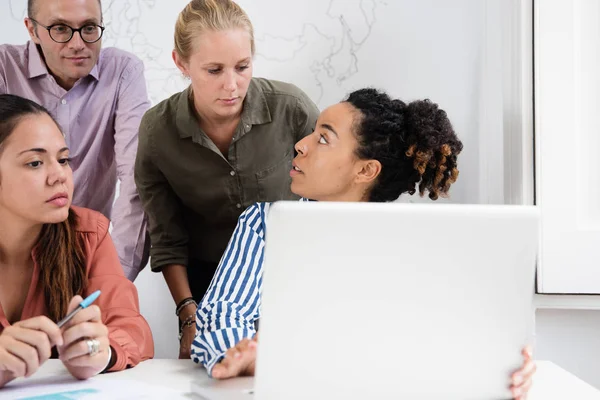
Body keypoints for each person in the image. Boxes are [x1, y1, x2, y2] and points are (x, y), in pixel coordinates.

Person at [191, 88, 535, 399]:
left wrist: (506, 366)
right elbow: (223, 312)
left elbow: (458, 334)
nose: (302, 144)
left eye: (323, 139)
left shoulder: (420, 242)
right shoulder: (265, 225)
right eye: (313, 132)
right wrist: (242, 353)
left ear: (365, 171)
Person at [134, 0, 320, 359]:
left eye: (242, 66)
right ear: (181, 63)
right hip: (207, 292)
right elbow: (167, 237)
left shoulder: (291, 108)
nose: (232, 85)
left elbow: (335, 192)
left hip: (291, 278)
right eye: (214, 70)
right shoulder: (158, 131)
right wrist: (188, 314)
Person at [0, 94, 154, 389]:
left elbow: (131, 328)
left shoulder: (88, 234)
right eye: (34, 163)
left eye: (63, 159)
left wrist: (99, 352)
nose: (60, 175)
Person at [0, 0, 149, 281]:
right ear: (31, 30)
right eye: (60, 28)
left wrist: (112, 277)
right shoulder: (4, 69)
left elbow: (136, 178)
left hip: (88, 254)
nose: (78, 43)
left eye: (89, 28)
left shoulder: (123, 72)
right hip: (12, 257)